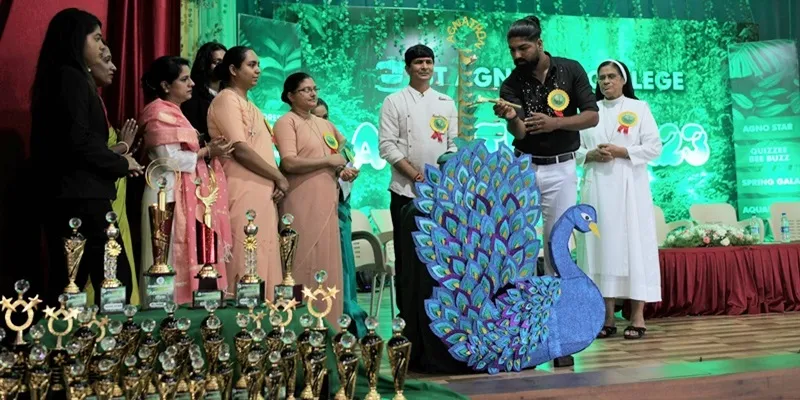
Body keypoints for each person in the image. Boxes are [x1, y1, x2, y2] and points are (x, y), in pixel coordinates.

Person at [493, 15, 599, 367]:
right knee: (521, 247)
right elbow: (520, 133)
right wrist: (511, 117)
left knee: (558, 248)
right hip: (524, 167)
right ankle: (522, 340)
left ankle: (560, 340)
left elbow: (592, 115)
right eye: (512, 50)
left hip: (563, 168)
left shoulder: (570, 70)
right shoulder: (511, 83)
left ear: (539, 43)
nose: (517, 55)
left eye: (523, 48)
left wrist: (556, 123)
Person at [30, 8, 143, 305]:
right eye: (97, 38)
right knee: (105, 280)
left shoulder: (64, 78)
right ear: (75, 39)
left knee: (74, 283)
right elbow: (78, 144)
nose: (103, 46)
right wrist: (121, 162)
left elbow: (79, 142)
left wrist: (119, 157)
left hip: (75, 197)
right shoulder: (71, 78)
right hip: (81, 199)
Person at [576, 60, 662, 340]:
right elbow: (573, 150)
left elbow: (654, 147)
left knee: (634, 247)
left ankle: (637, 316)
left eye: (611, 76)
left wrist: (622, 151)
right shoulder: (589, 112)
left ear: (624, 80)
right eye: (601, 77)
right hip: (597, 189)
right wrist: (591, 155)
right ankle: (607, 317)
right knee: (600, 248)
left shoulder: (639, 108)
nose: (606, 82)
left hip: (630, 190)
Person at [139, 56, 234, 305]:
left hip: (182, 190)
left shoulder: (175, 112)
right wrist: (207, 151)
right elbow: (168, 160)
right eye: (184, 79)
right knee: (166, 255)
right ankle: (167, 312)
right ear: (165, 85)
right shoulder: (158, 112)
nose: (192, 83)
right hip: (165, 192)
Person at [378, 44, 458, 318]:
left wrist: (440, 179)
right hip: (405, 192)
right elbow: (387, 147)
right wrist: (415, 175)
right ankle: (408, 319)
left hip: (439, 194)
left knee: (438, 258)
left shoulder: (446, 102)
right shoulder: (394, 101)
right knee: (408, 258)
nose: (424, 67)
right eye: (418, 62)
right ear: (407, 68)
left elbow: (452, 144)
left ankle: (439, 317)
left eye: (428, 62)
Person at [274, 73, 357, 325]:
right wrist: (328, 161)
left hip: (328, 202)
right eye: (305, 90)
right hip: (300, 201)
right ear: (290, 96)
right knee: (302, 260)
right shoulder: (286, 122)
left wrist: (342, 169)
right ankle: (299, 325)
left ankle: (330, 325)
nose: (313, 93)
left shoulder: (325, 125)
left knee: (327, 261)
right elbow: (289, 162)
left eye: (314, 88)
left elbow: (343, 150)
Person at [208, 46, 289, 298]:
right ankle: (242, 318)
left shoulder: (250, 104)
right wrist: (278, 176)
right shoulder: (226, 99)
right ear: (233, 69)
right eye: (251, 65)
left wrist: (274, 181)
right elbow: (240, 150)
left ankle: (265, 316)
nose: (258, 70)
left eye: (258, 65)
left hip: (262, 191)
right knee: (246, 253)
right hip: (240, 188)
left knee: (265, 254)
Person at [89, 43, 141, 304]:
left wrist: (124, 153)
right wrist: (124, 147)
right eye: (106, 60)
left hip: (114, 187)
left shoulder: (97, 100)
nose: (114, 67)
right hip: (96, 191)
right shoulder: (83, 98)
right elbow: (88, 153)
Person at [311, 97, 368, 336]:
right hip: (312, 211)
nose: (322, 122)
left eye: (325, 117)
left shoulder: (340, 143)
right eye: (316, 117)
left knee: (343, 264)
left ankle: (347, 316)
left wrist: (347, 174)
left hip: (339, 212)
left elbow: (349, 179)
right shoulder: (303, 142)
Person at [182, 42, 227, 146]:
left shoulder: (230, 92)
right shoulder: (192, 95)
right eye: (217, 62)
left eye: (224, 62)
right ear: (205, 64)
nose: (221, 67)